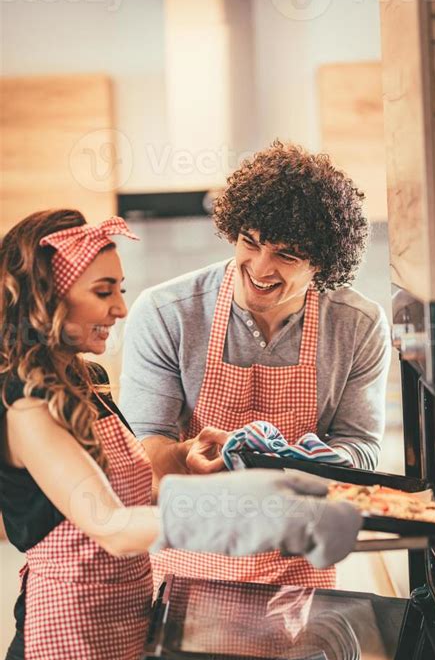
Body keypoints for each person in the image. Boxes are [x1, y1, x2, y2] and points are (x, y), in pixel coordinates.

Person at [0, 209, 362, 660]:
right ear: (50, 299)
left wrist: (186, 458)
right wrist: (253, 506)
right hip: (66, 635)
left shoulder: (87, 382)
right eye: (102, 292)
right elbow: (112, 526)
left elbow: (126, 488)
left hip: (124, 623)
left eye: (120, 290)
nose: (121, 309)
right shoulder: (28, 410)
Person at [120, 141, 391, 591]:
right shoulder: (167, 312)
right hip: (193, 556)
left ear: (322, 264)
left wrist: (300, 462)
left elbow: (360, 448)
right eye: (251, 242)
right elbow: (144, 458)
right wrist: (186, 456)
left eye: (287, 254)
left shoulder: (356, 325)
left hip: (297, 559)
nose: (261, 267)